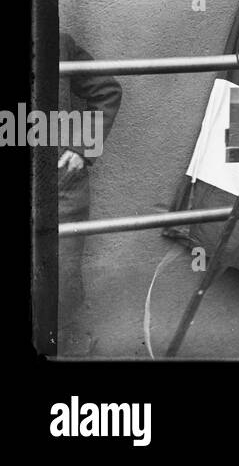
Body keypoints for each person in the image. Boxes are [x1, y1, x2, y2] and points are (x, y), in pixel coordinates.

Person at [56, 32, 122, 356]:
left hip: (58, 187)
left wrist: (82, 147)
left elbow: (107, 91)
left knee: (63, 277)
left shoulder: (57, 41)